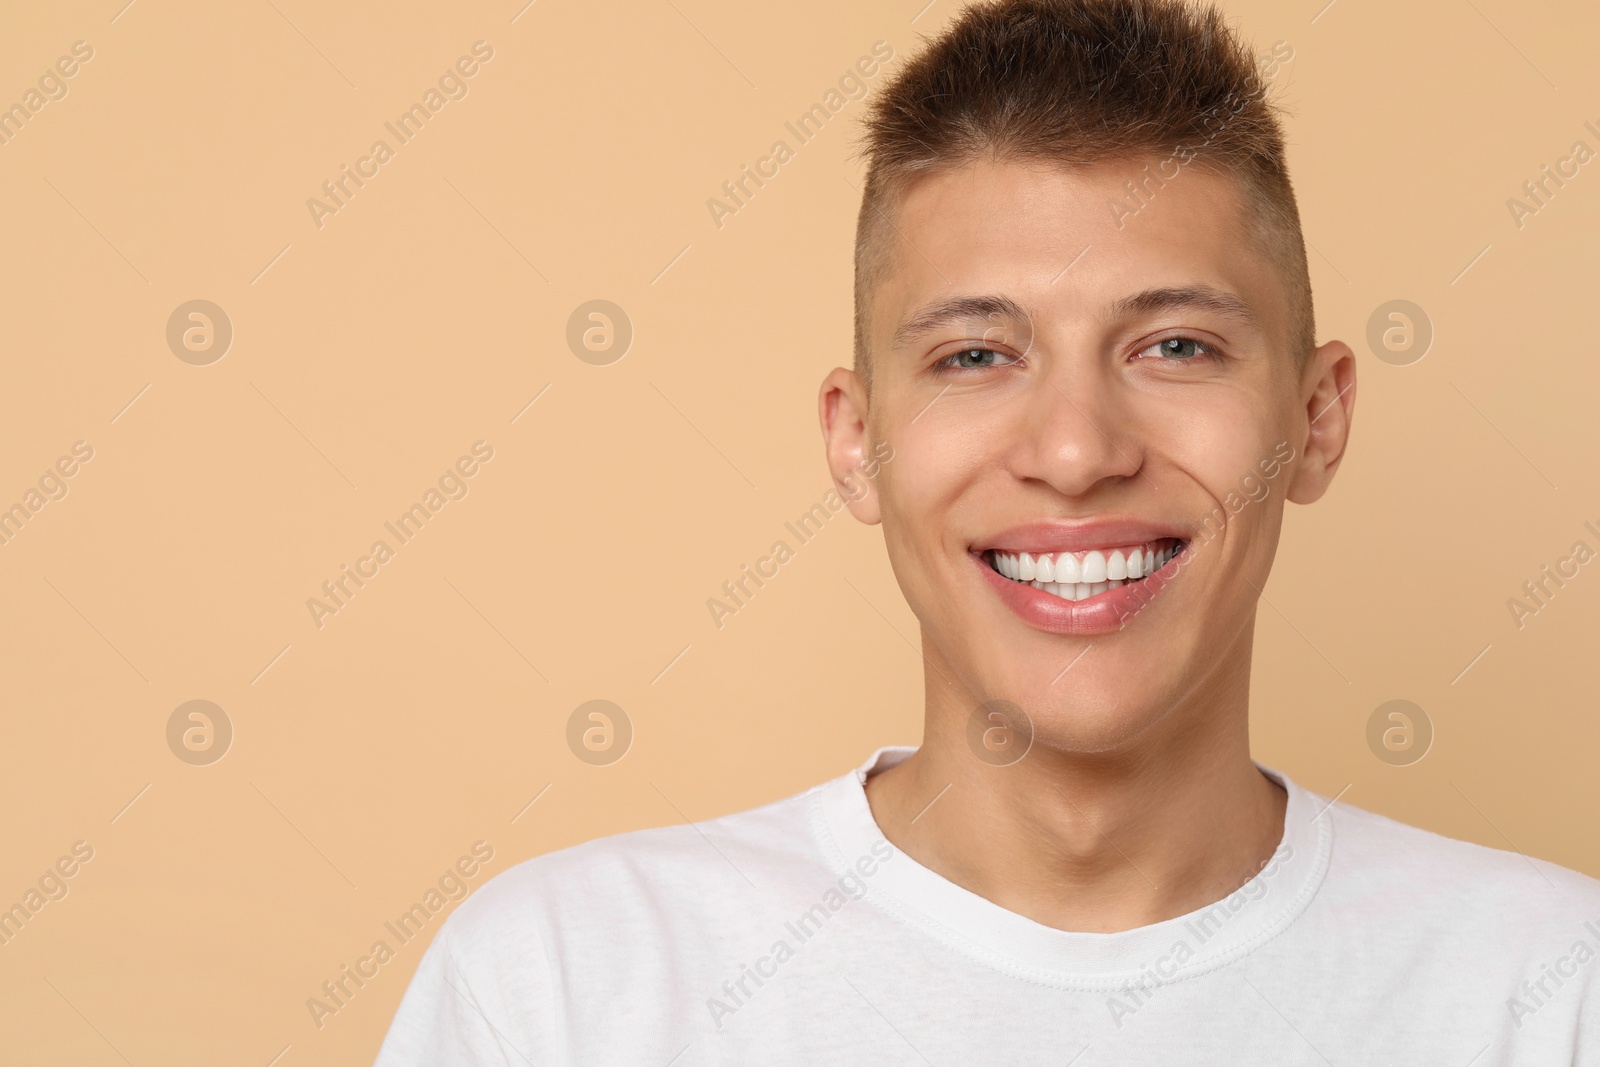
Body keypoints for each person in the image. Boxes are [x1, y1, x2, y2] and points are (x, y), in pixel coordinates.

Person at [375, 1, 1600, 1061]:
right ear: (856, 441)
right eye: (975, 354)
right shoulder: (564, 990)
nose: (1074, 451)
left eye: (1174, 345)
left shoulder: (1551, 991)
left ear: (1317, 416)